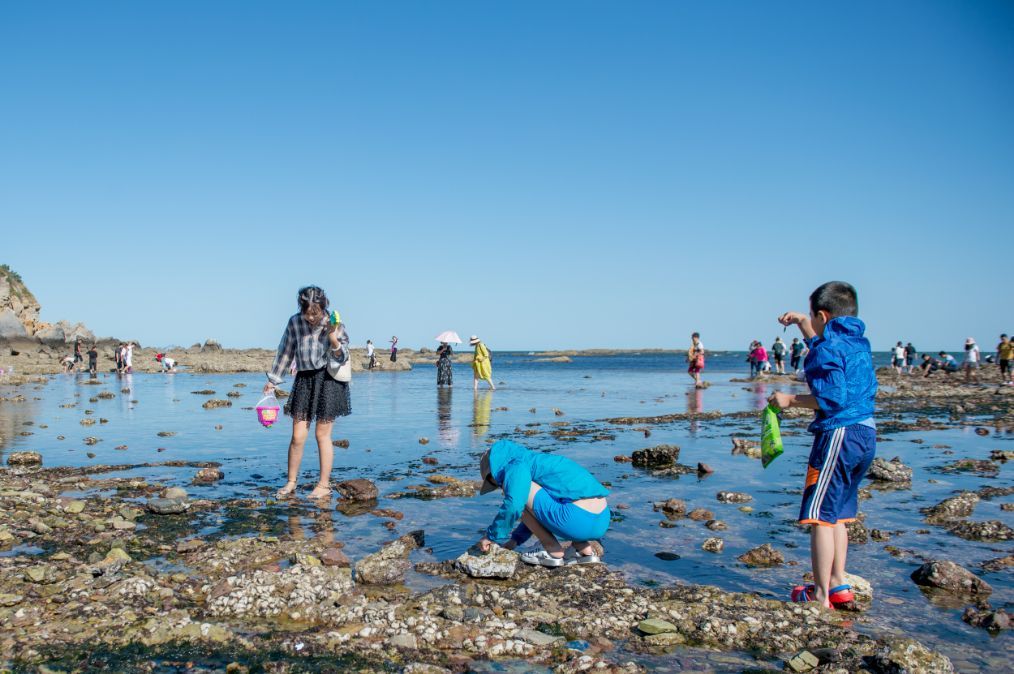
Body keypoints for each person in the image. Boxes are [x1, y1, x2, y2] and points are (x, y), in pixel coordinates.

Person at [768, 281, 877, 609]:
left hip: (838, 435)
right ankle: (837, 583)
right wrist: (804, 323)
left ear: (823, 316)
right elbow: (827, 349)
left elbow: (832, 396)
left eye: (813, 317)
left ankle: (819, 596)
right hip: (865, 433)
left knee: (819, 517)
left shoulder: (827, 347)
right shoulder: (858, 343)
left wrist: (789, 400)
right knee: (838, 515)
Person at [263, 286, 351, 500]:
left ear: (323, 306)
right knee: (297, 436)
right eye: (307, 313)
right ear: (301, 309)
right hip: (304, 380)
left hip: (328, 380)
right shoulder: (294, 322)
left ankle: (323, 485)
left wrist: (333, 337)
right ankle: (291, 482)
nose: (311, 317)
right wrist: (273, 381)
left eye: (316, 312)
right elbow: (285, 352)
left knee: (322, 435)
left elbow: (343, 357)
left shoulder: (333, 323)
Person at [476, 439, 610, 567]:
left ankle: (551, 549)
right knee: (559, 495)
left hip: (576, 520)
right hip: (602, 520)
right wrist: (515, 540)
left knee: (516, 493)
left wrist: (491, 536)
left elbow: (515, 505)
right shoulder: (536, 460)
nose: (498, 485)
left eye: (492, 481)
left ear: (493, 470)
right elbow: (538, 511)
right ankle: (583, 550)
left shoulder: (516, 465)